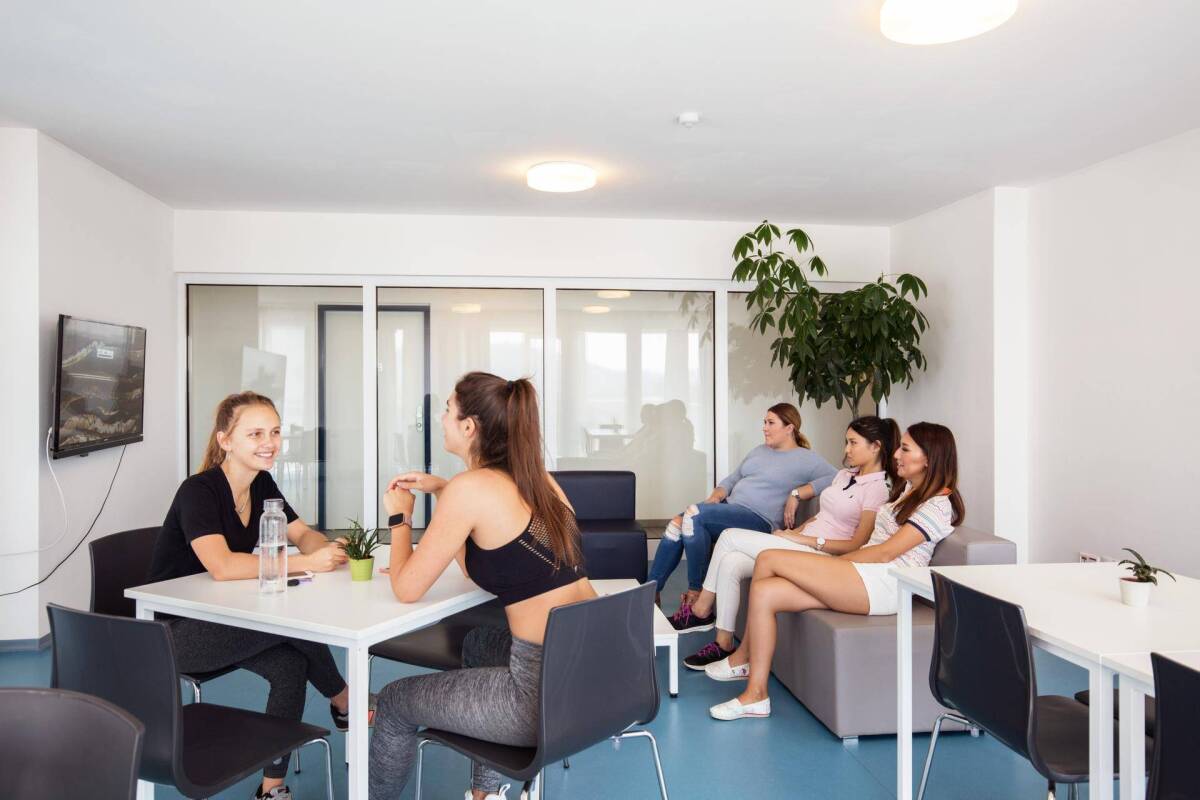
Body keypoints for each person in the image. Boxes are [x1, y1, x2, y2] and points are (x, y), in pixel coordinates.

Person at [369, 372, 596, 800]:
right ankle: (485, 795)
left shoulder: (470, 489)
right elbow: (490, 563)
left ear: (469, 426)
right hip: (596, 677)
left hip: (540, 696)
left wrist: (400, 516)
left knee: (395, 701)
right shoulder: (539, 480)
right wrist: (444, 491)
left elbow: (407, 588)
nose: (441, 418)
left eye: (447, 410)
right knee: (475, 645)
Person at [147, 391, 358, 800]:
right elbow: (223, 566)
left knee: (291, 667)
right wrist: (305, 563)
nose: (269, 442)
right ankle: (344, 698)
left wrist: (325, 550)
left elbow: (301, 533)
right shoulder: (198, 491)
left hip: (227, 617)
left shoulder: (261, 483)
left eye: (275, 432)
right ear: (225, 440)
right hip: (176, 634)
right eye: (256, 433)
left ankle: (271, 787)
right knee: (291, 623)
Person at [705, 422, 965, 722]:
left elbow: (885, 552)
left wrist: (837, 564)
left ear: (930, 458)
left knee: (768, 558)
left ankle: (744, 663)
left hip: (886, 584)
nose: (896, 455)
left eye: (905, 449)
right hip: (866, 574)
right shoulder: (909, 491)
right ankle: (756, 695)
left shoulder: (938, 505)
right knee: (766, 592)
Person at [681, 416, 900, 670]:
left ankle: (701, 609)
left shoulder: (877, 489)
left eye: (853, 443)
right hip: (801, 543)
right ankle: (724, 642)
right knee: (732, 562)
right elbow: (823, 516)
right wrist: (793, 527)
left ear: (876, 446)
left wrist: (801, 539)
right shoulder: (844, 475)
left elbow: (856, 543)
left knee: (729, 537)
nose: (846, 449)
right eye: (846, 442)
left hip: (823, 555)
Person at [649, 403, 837, 632]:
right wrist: (717, 494)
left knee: (692, 516)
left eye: (771, 423)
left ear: (789, 428)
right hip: (730, 508)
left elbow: (836, 477)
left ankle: (696, 595)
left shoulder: (806, 459)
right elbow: (733, 478)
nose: (764, 427)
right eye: (764, 422)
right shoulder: (759, 451)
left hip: (758, 519)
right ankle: (651, 594)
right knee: (676, 524)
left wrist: (797, 493)